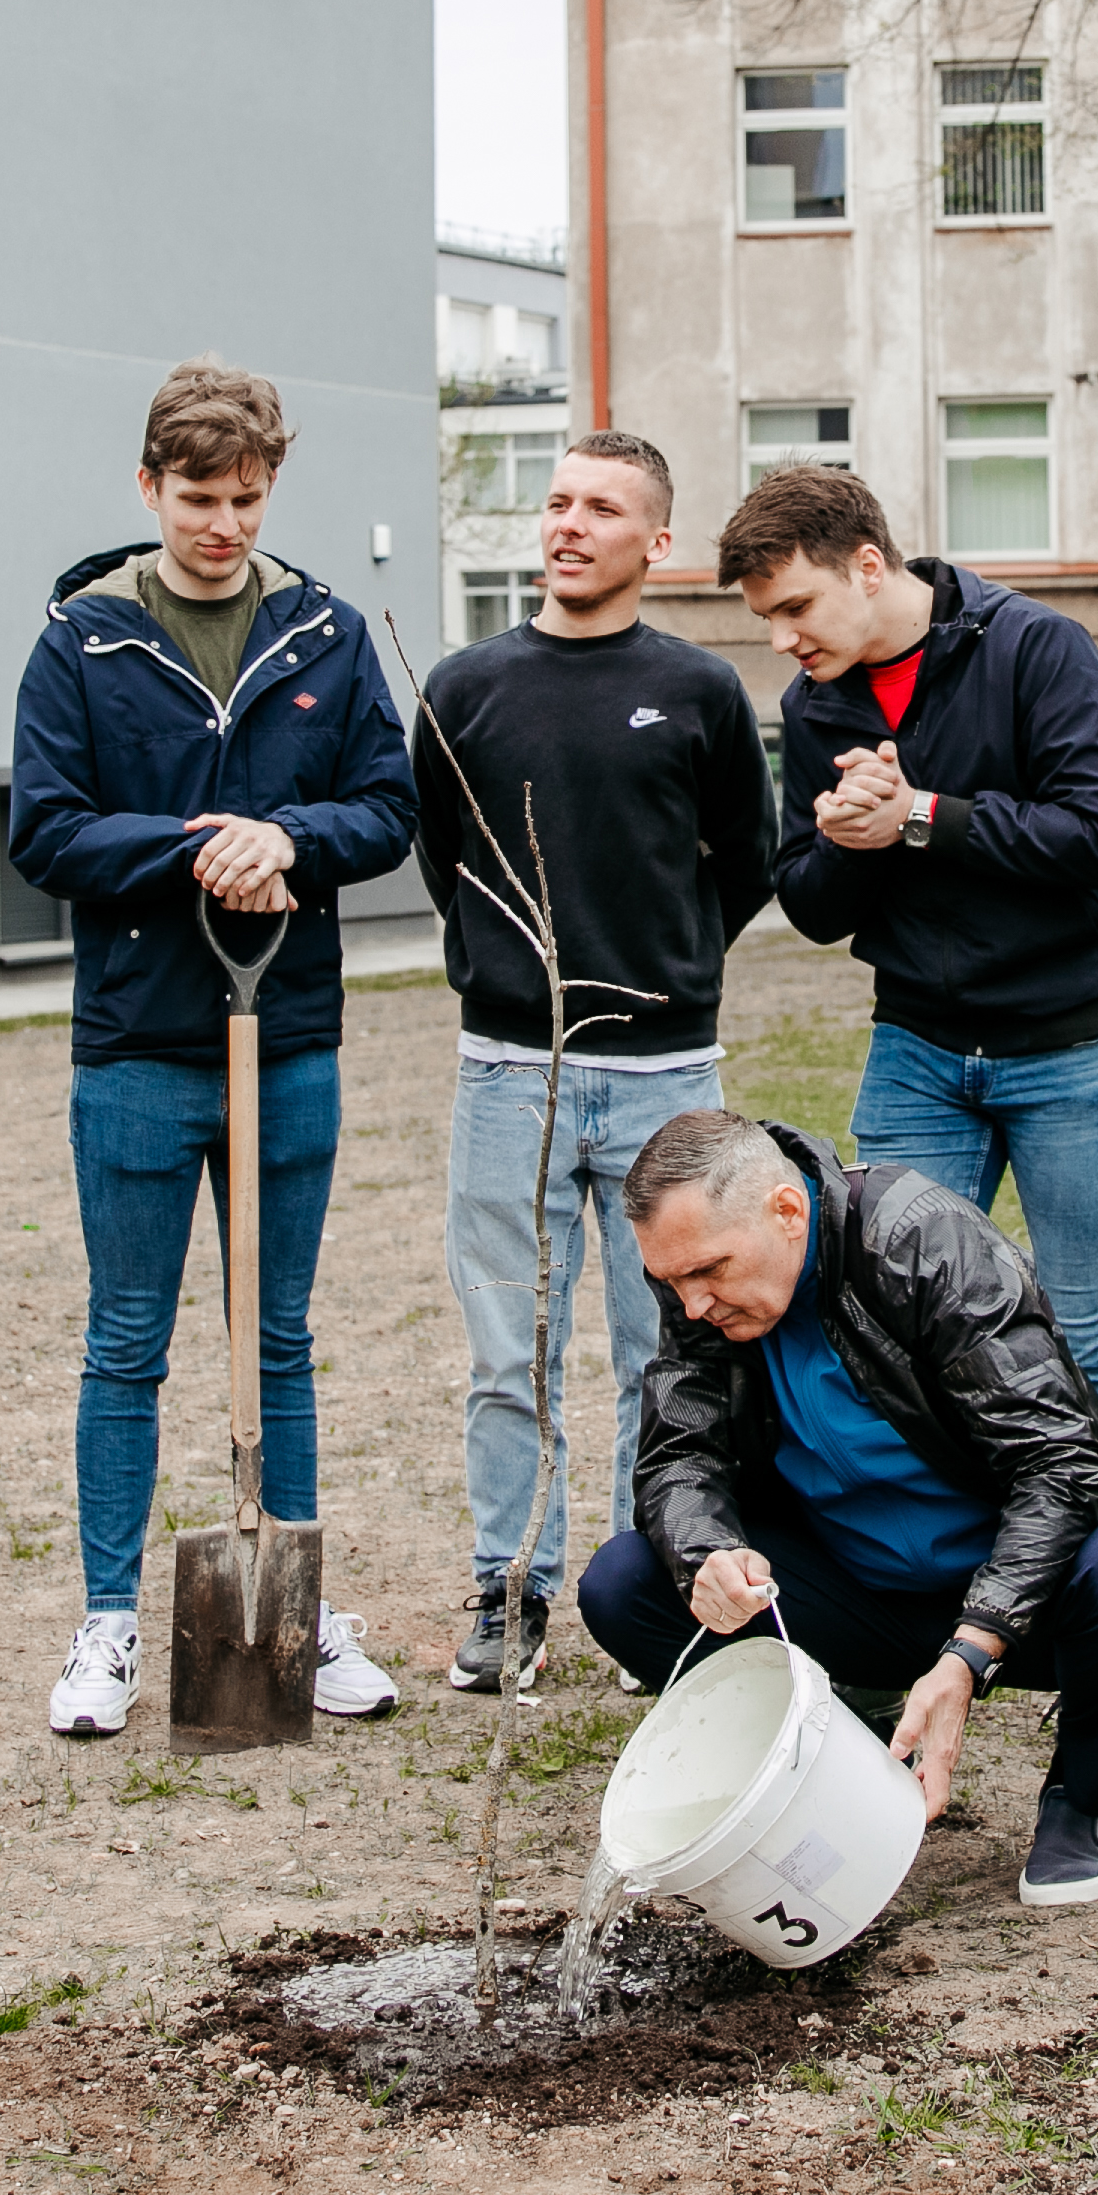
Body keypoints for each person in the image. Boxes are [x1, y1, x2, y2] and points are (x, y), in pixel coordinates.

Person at [4, 360, 420, 1738]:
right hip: (136, 1045)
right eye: (196, 498)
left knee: (278, 1335)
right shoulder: (83, 640)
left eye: (245, 499)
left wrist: (292, 840)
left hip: (286, 1034)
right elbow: (46, 831)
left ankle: (292, 1604)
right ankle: (111, 1623)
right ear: (148, 488)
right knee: (127, 1341)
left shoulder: (327, 635)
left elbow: (387, 808)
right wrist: (200, 850)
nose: (222, 524)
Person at [590, 1105, 1098, 1909]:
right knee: (625, 1581)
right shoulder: (703, 1291)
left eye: (708, 1272)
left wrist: (973, 1651)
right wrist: (709, 1554)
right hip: (858, 1588)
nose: (693, 1304)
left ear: (787, 1210)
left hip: (1015, 1597)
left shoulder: (923, 1244)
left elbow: (1059, 1465)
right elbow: (678, 1453)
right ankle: (836, 1738)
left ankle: (1081, 1800)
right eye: (670, 1282)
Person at [412, 429, 770, 1694]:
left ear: (653, 542)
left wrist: (668, 967)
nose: (568, 524)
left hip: (666, 1078)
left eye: (601, 508)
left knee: (661, 1353)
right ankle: (507, 1588)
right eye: (557, 502)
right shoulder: (464, 686)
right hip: (508, 1069)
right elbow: (440, 852)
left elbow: (746, 858)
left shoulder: (701, 691)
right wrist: (496, 975)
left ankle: (645, 1592)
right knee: (508, 1352)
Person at [721, 466, 1098, 1468]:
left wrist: (919, 816)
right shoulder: (817, 702)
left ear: (867, 565)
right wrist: (847, 840)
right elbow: (811, 905)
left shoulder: (1033, 648)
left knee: (1084, 1330)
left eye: (795, 606)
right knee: (896, 1324)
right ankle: (956, 1562)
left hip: (1071, 1043)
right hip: (917, 1047)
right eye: (767, 618)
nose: (783, 639)